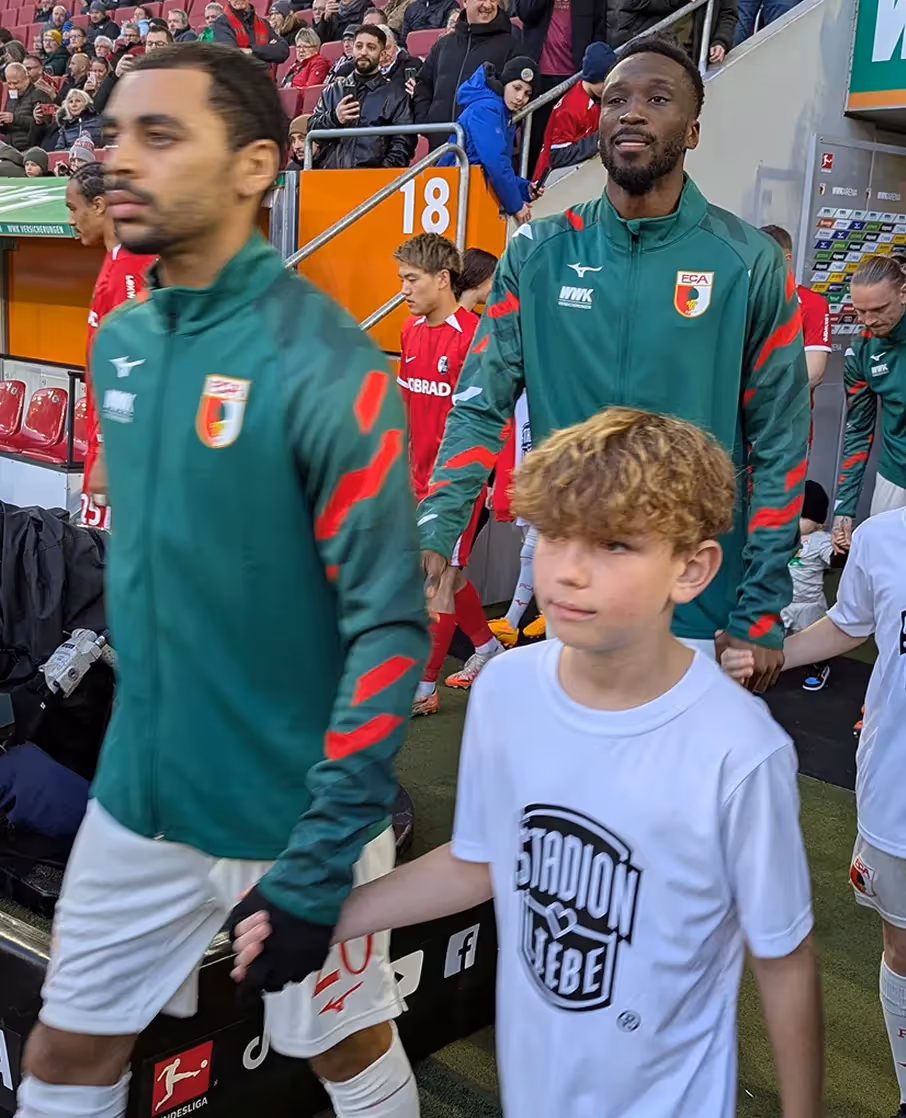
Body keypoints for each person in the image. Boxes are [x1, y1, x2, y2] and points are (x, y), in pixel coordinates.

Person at [15, 41, 427, 1118]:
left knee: (348, 1051)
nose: (119, 161)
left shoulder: (328, 364)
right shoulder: (127, 343)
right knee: (64, 1053)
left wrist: (327, 847)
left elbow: (387, 629)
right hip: (142, 788)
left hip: (290, 806)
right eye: (112, 135)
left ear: (255, 166)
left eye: (160, 135)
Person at [236, 405, 824, 1118]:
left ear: (691, 568)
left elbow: (783, 957)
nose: (570, 572)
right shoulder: (506, 689)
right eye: (552, 536)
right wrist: (322, 916)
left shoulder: (739, 750)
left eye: (613, 545)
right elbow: (480, 861)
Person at [418, 34, 810, 689]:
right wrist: (439, 529)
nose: (630, 112)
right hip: (571, 584)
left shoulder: (747, 261)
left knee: (677, 786)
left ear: (692, 131)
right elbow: (479, 402)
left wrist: (762, 605)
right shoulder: (537, 252)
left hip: (697, 594)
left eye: (657, 100)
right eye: (616, 99)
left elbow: (780, 440)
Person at [721, 501, 906, 1116]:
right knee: (903, 949)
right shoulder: (883, 540)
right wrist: (767, 655)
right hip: (896, 795)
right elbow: (850, 624)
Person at [394, 234, 504, 713]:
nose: (403, 289)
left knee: (438, 580)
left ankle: (423, 689)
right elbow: (405, 406)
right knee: (448, 578)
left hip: (457, 484)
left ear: (443, 279)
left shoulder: (474, 337)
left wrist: (494, 478)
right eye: (401, 279)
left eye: (411, 279)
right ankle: (485, 646)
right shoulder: (408, 331)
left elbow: (491, 416)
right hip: (415, 478)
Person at [64, 161, 155, 530]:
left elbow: (133, 367)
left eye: (73, 208)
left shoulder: (130, 268)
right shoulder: (117, 260)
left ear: (100, 205)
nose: (70, 219)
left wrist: (107, 453)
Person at [831, 254, 906, 553]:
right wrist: (843, 509)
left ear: (903, 293)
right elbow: (858, 429)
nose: (868, 320)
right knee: (882, 559)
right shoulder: (862, 348)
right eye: (860, 311)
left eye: (878, 309)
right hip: (895, 470)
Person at [438, 57, 541, 224]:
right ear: (505, 82)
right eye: (517, 88)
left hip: (464, 186)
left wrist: (523, 188)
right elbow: (494, 161)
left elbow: (488, 166)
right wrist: (516, 206)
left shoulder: (499, 109)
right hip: (456, 190)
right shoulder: (488, 108)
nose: (520, 97)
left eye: (527, 94)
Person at [413, 0, 521, 150]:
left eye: (493, 0)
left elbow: (520, 94)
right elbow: (423, 85)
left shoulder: (511, 46)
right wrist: (427, 122)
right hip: (440, 150)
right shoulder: (442, 45)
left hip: (486, 154)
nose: (488, 5)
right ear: (464, 2)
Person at [513, 0, 606, 170]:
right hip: (538, 78)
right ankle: (531, 189)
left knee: (570, 145)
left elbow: (599, 29)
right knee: (534, 143)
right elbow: (525, 13)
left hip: (576, 78)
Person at [310, 25, 414, 168]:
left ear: (382, 55)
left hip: (376, 182)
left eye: (371, 47)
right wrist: (335, 118)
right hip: (331, 178)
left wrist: (379, 175)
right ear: (353, 50)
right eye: (359, 46)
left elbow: (403, 144)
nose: (363, 52)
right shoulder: (332, 91)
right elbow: (312, 132)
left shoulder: (396, 95)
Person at [761, 224, 831, 392]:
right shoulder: (744, 297)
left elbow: (814, 373)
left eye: (761, 258)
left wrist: (762, 395)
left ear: (786, 259)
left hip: (789, 414)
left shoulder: (813, 303)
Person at [533, 39, 615, 179]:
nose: (610, 89)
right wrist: (601, 138)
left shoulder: (596, 98)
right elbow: (557, 155)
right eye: (606, 83)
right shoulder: (570, 108)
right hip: (550, 183)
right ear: (594, 78)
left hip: (575, 175)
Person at [780, 479, 834, 691]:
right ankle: (770, 666)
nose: (796, 522)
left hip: (809, 602)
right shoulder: (782, 537)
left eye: (802, 517)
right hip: (783, 599)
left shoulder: (821, 540)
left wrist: (841, 552)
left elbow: (833, 559)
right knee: (774, 636)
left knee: (816, 639)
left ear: (817, 521)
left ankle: (819, 666)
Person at [213, 0, 290, 66]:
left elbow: (283, 51)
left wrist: (251, 50)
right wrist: (266, 50)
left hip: (263, 80)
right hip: (237, 81)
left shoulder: (263, 23)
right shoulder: (221, 23)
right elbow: (230, 55)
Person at [0, 62, 44, 151]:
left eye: (16, 83)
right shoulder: (12, 97)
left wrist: (15, 119)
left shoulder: (39, 95)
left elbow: (42, 126)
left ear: (26, 79)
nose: (12, 87)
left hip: (30, 149)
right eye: (9, 83)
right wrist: (2, 124)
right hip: (10, 148)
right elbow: (8, 129)